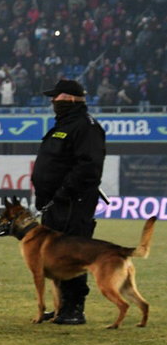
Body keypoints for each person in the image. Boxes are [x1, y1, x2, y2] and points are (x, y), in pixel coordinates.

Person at [32, 79, 105, 325]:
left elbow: (89, 166)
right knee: (55, 255)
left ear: (71, 99)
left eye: (57, 97)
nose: (53, 101)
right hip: (54, 203)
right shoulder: (64, 125)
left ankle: (74, 309)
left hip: (74, 202)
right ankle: (62, 306)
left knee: (72, 253)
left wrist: (64, 192)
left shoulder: (86, 127)